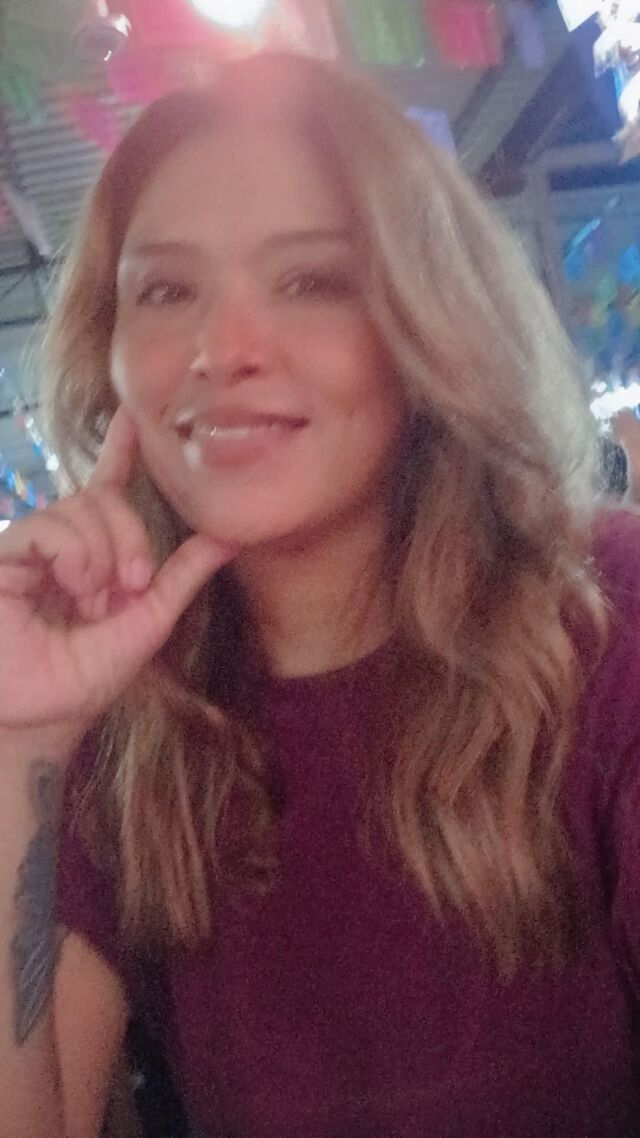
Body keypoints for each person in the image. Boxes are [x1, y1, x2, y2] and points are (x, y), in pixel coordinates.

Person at [1, 50, 640, 1138]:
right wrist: (18, 746)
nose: (218, 350)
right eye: (166, 291)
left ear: (424, 324)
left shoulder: (606, 620)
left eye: (310, 281)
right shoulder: (118, 722)